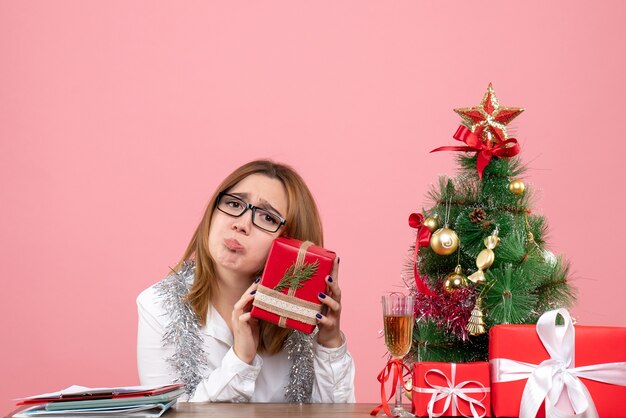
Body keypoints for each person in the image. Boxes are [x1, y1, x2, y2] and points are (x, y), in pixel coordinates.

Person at [136, 160, 355, 403]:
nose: (240, 224)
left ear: (292, 243)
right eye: (233, 203)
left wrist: (329, 344)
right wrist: (241, 359)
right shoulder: (158, 306)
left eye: (268, 217)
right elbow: (168, 413)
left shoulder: (301, 319)